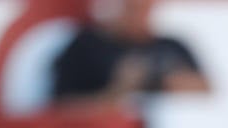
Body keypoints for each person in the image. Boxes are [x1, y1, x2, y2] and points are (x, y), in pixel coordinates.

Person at [51, 0, 209, 111]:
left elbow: (209, 92)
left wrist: (172, 85)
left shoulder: (172, 46)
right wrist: (118, 91)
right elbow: (61, 107)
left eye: (145, 6)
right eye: (132, 6)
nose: (139, 13)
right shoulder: (86, 46)